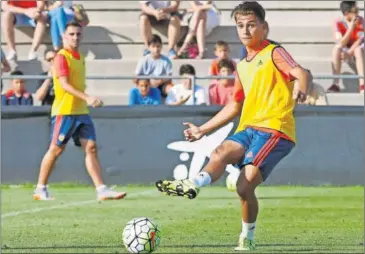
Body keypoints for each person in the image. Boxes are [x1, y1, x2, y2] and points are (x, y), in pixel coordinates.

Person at [155, 1, 311, 251]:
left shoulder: (273, 52)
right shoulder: (242, 66)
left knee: (244, 185)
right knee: (220, 153)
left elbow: (301, 72)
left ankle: (247, 237)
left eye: (251, 25)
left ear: (264, 27)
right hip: (249, 128)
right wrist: (202, 130)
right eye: (240, 26)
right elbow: (234, 106)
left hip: (274, 129)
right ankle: (192, 184)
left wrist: (302, 89)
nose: (246, 31)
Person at [33, 21, 126, 201]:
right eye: (72, 34)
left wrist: (85, 100)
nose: (75, 37)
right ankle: (40, 188)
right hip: (65, 111)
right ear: (64, 36)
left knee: (91, 147)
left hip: (81, 111)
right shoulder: (61, 57)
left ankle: (102, 190)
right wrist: (88, 98)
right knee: (56, 150)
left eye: (78, 34)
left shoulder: (79, 57)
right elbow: (64, 85)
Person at [328, 1, 364, 93]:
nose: (357, 13)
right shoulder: (338, 22)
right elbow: (341, 42)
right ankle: (335, 84)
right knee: (336, 49)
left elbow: (360, 40)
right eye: (355, 11)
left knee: (358, 50)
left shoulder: (361, 20)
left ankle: (362, 85)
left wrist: (349, 53)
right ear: (346, 13)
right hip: (345, 48)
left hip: (357, 47)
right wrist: (351, 28)